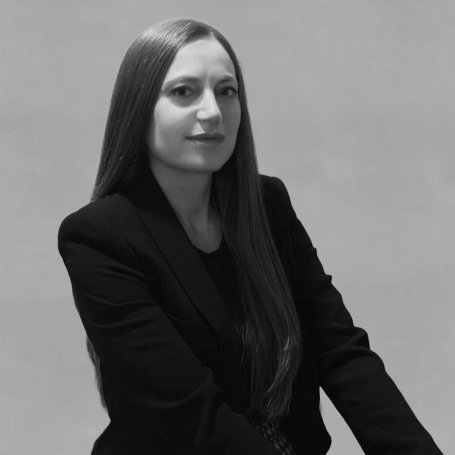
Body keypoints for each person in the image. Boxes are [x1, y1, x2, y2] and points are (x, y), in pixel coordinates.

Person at [58, 18, 443, 455]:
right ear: (139, 108)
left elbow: (342, 353)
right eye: (183, 91)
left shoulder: (268, 204)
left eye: (227, 91)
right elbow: (193, 414)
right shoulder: (98, 237)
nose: (212, 111)